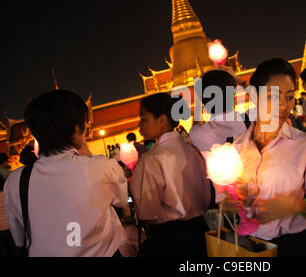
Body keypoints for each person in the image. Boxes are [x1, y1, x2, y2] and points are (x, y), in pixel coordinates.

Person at [220, 58, 306, 257]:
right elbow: (228, 197)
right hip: (250, 246)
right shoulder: (235, 147)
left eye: (289, 97)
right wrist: (229, 204)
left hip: (297, 246)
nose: (285, 106)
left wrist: (297, 206)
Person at [3, 90, 129, 257]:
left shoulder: (15, 181)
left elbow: (19, 238)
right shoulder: (103, 167)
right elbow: (121, 201)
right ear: (77, 129)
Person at [130, 93, 210, 257]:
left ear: (162, 120)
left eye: (144, 119)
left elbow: (147, 213)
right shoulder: (192, 151)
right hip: (201, 232)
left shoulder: (151, 160)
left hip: (170, 241)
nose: (139, 126)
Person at [189, 69, 249, 154]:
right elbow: (263, 104)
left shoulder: (197, 135)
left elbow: (195, 127)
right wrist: (241, 82)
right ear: (234, 96)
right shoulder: (249, 120)